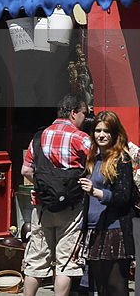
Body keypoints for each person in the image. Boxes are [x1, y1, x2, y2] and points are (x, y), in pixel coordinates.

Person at [22, 94, 92, 296]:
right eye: (83, 114)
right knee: (66, 262)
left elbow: (25, 171)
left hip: (42, 206)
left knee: (36, 259)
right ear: (73, 113)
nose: (84, 119)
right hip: (71, 207)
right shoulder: (80, 137)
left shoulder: (38, 137)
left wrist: (46, 182)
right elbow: (98, 163)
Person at [76, 111, 135, 296]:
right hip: (94, 230)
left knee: (116, 288)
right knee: (100, 289)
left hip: (115, 229)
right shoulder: (93, 160)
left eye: (106, 131)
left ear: (114, 133)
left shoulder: (121, 159)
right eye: (98, 130)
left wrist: (97, 192)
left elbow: (124, 196)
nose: (101, 134)